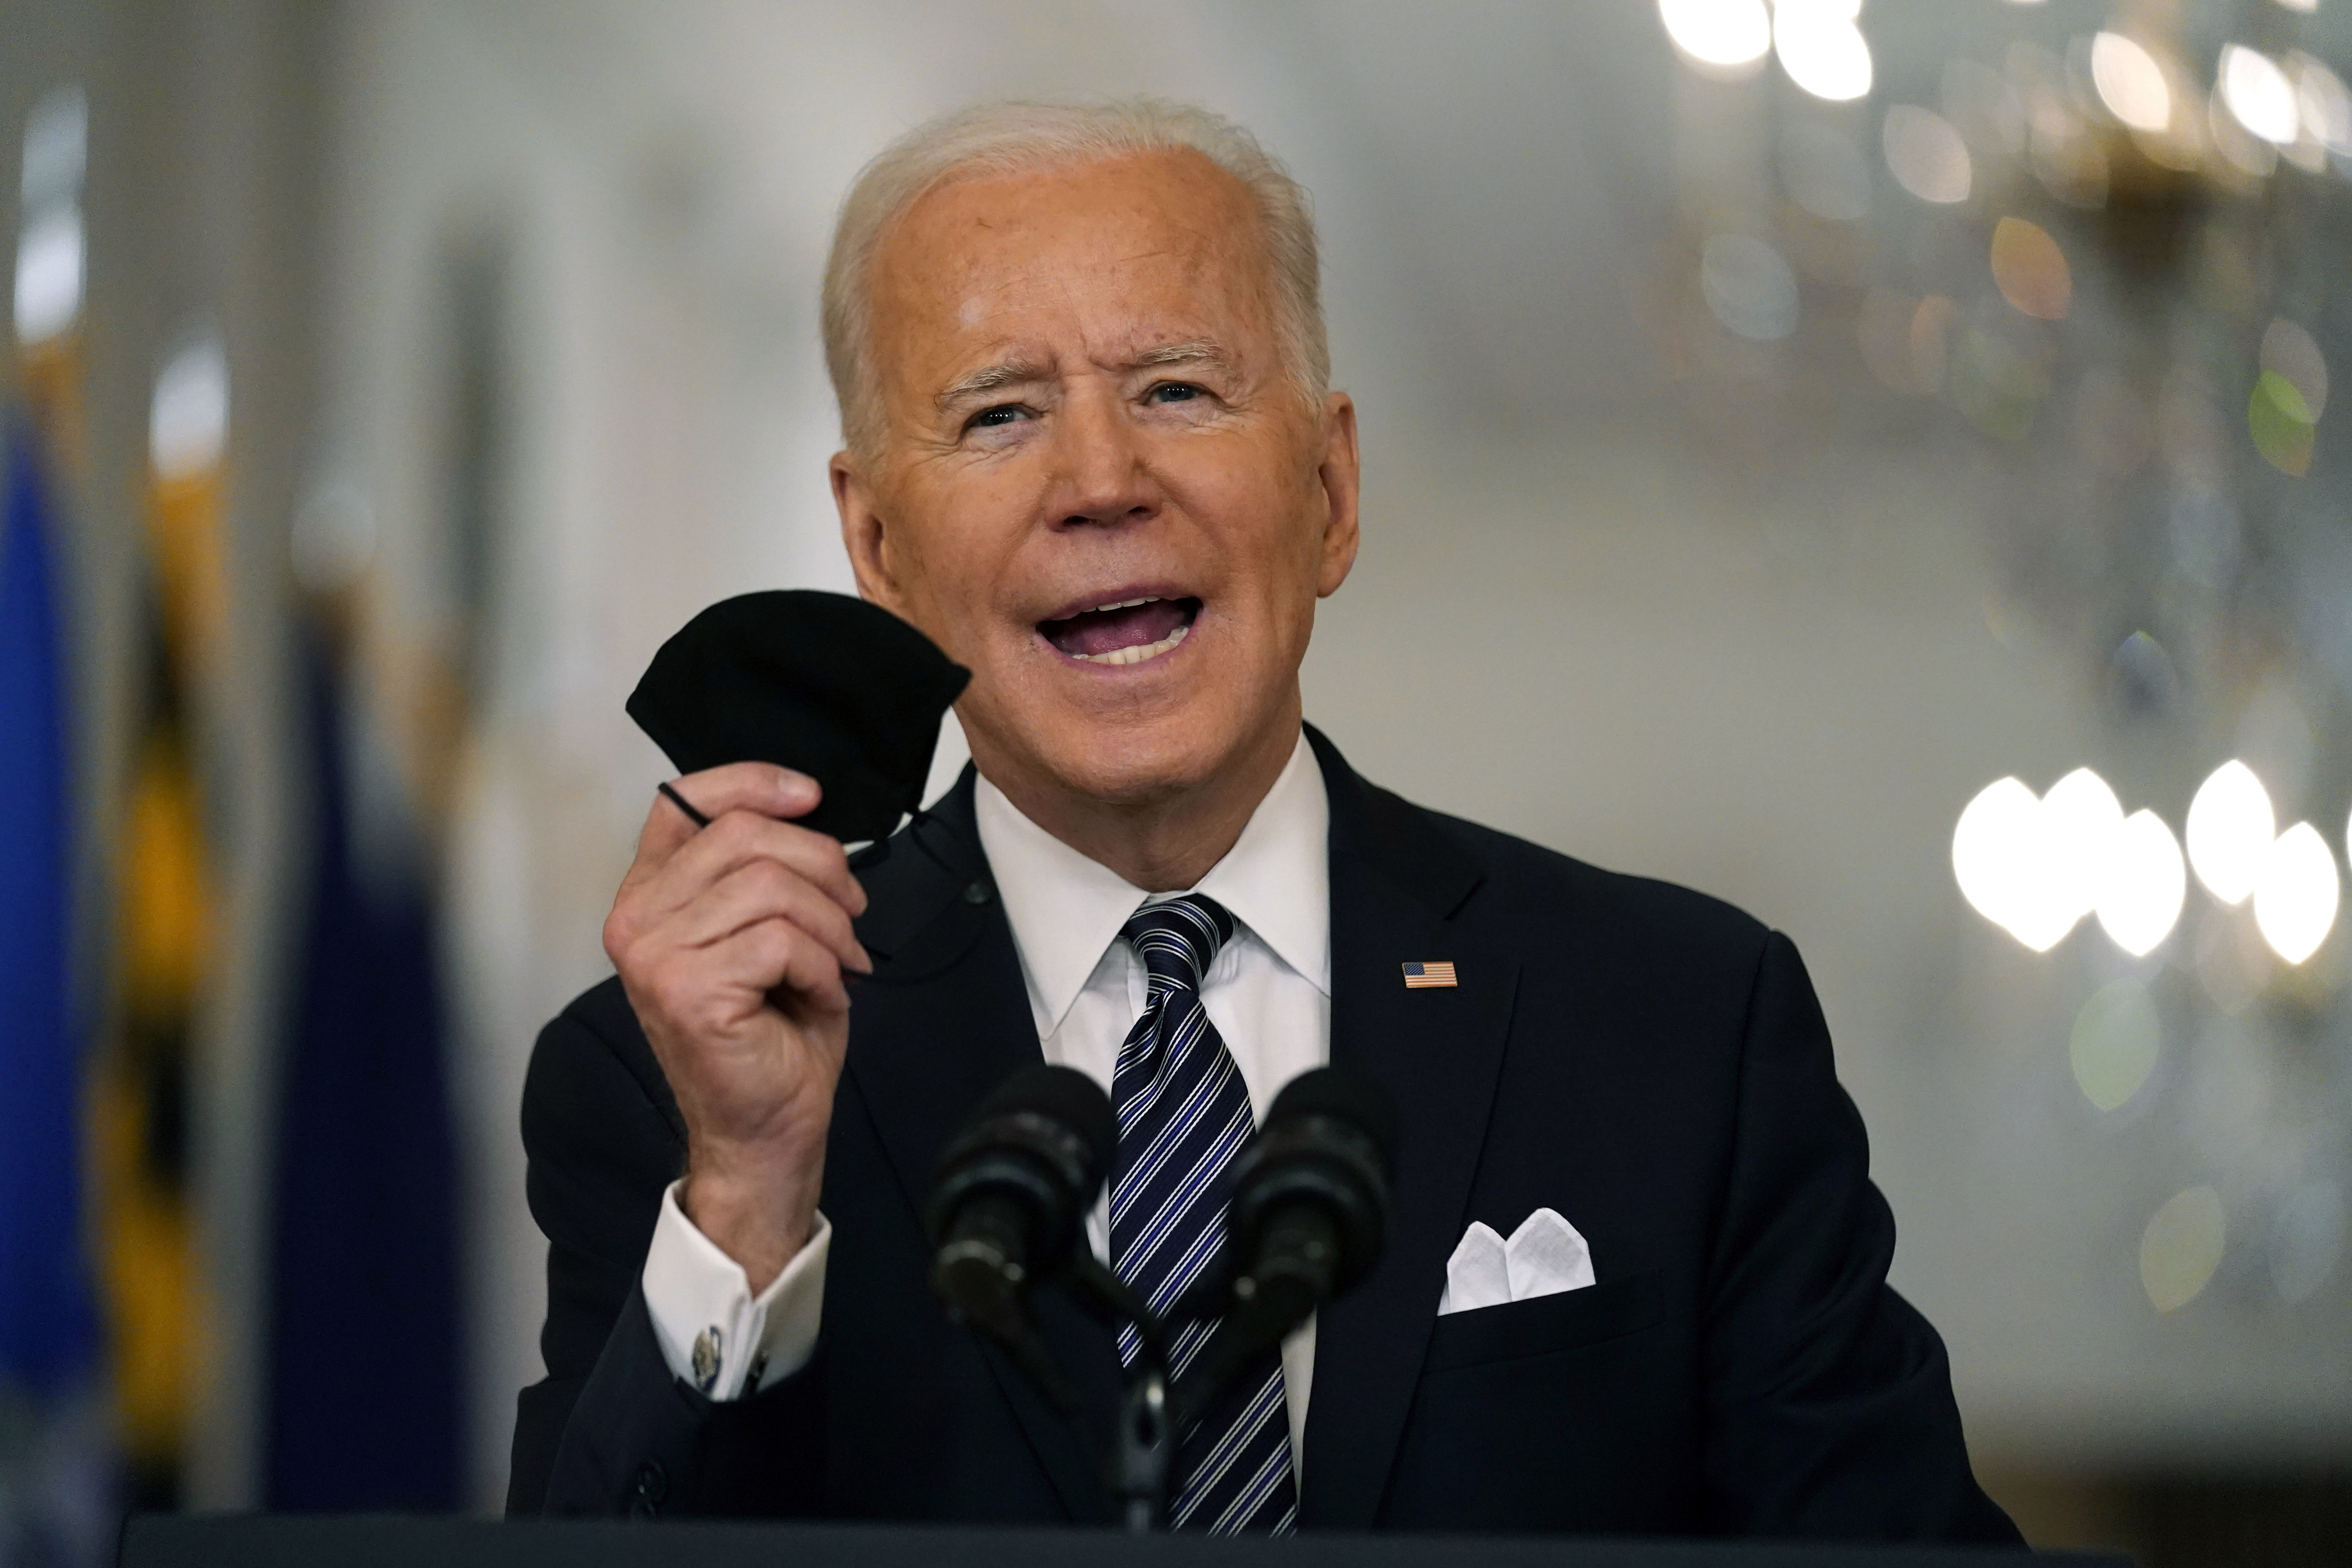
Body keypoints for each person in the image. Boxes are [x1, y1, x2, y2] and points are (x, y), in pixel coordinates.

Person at [509, 98, 2020, 1542]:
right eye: (999, 414)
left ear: (1330, 491)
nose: (1101, 480)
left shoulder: (1678, 1026)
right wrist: (750, 1201)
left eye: (1177, 389)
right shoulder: (669, 1083)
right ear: (878, 546)